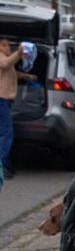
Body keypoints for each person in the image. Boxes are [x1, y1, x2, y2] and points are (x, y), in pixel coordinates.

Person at [0, 38, 22, 184]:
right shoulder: (2, 57)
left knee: (4, 131)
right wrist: (18, 52)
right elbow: (5, 64)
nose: (8, 47)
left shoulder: (6, 57)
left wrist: (26, 76)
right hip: (1, 99)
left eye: (8, 45)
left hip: (5, 100)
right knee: (7, 132)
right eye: (4, 45)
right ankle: (3, 165)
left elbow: (9, 72)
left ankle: (6, 164)